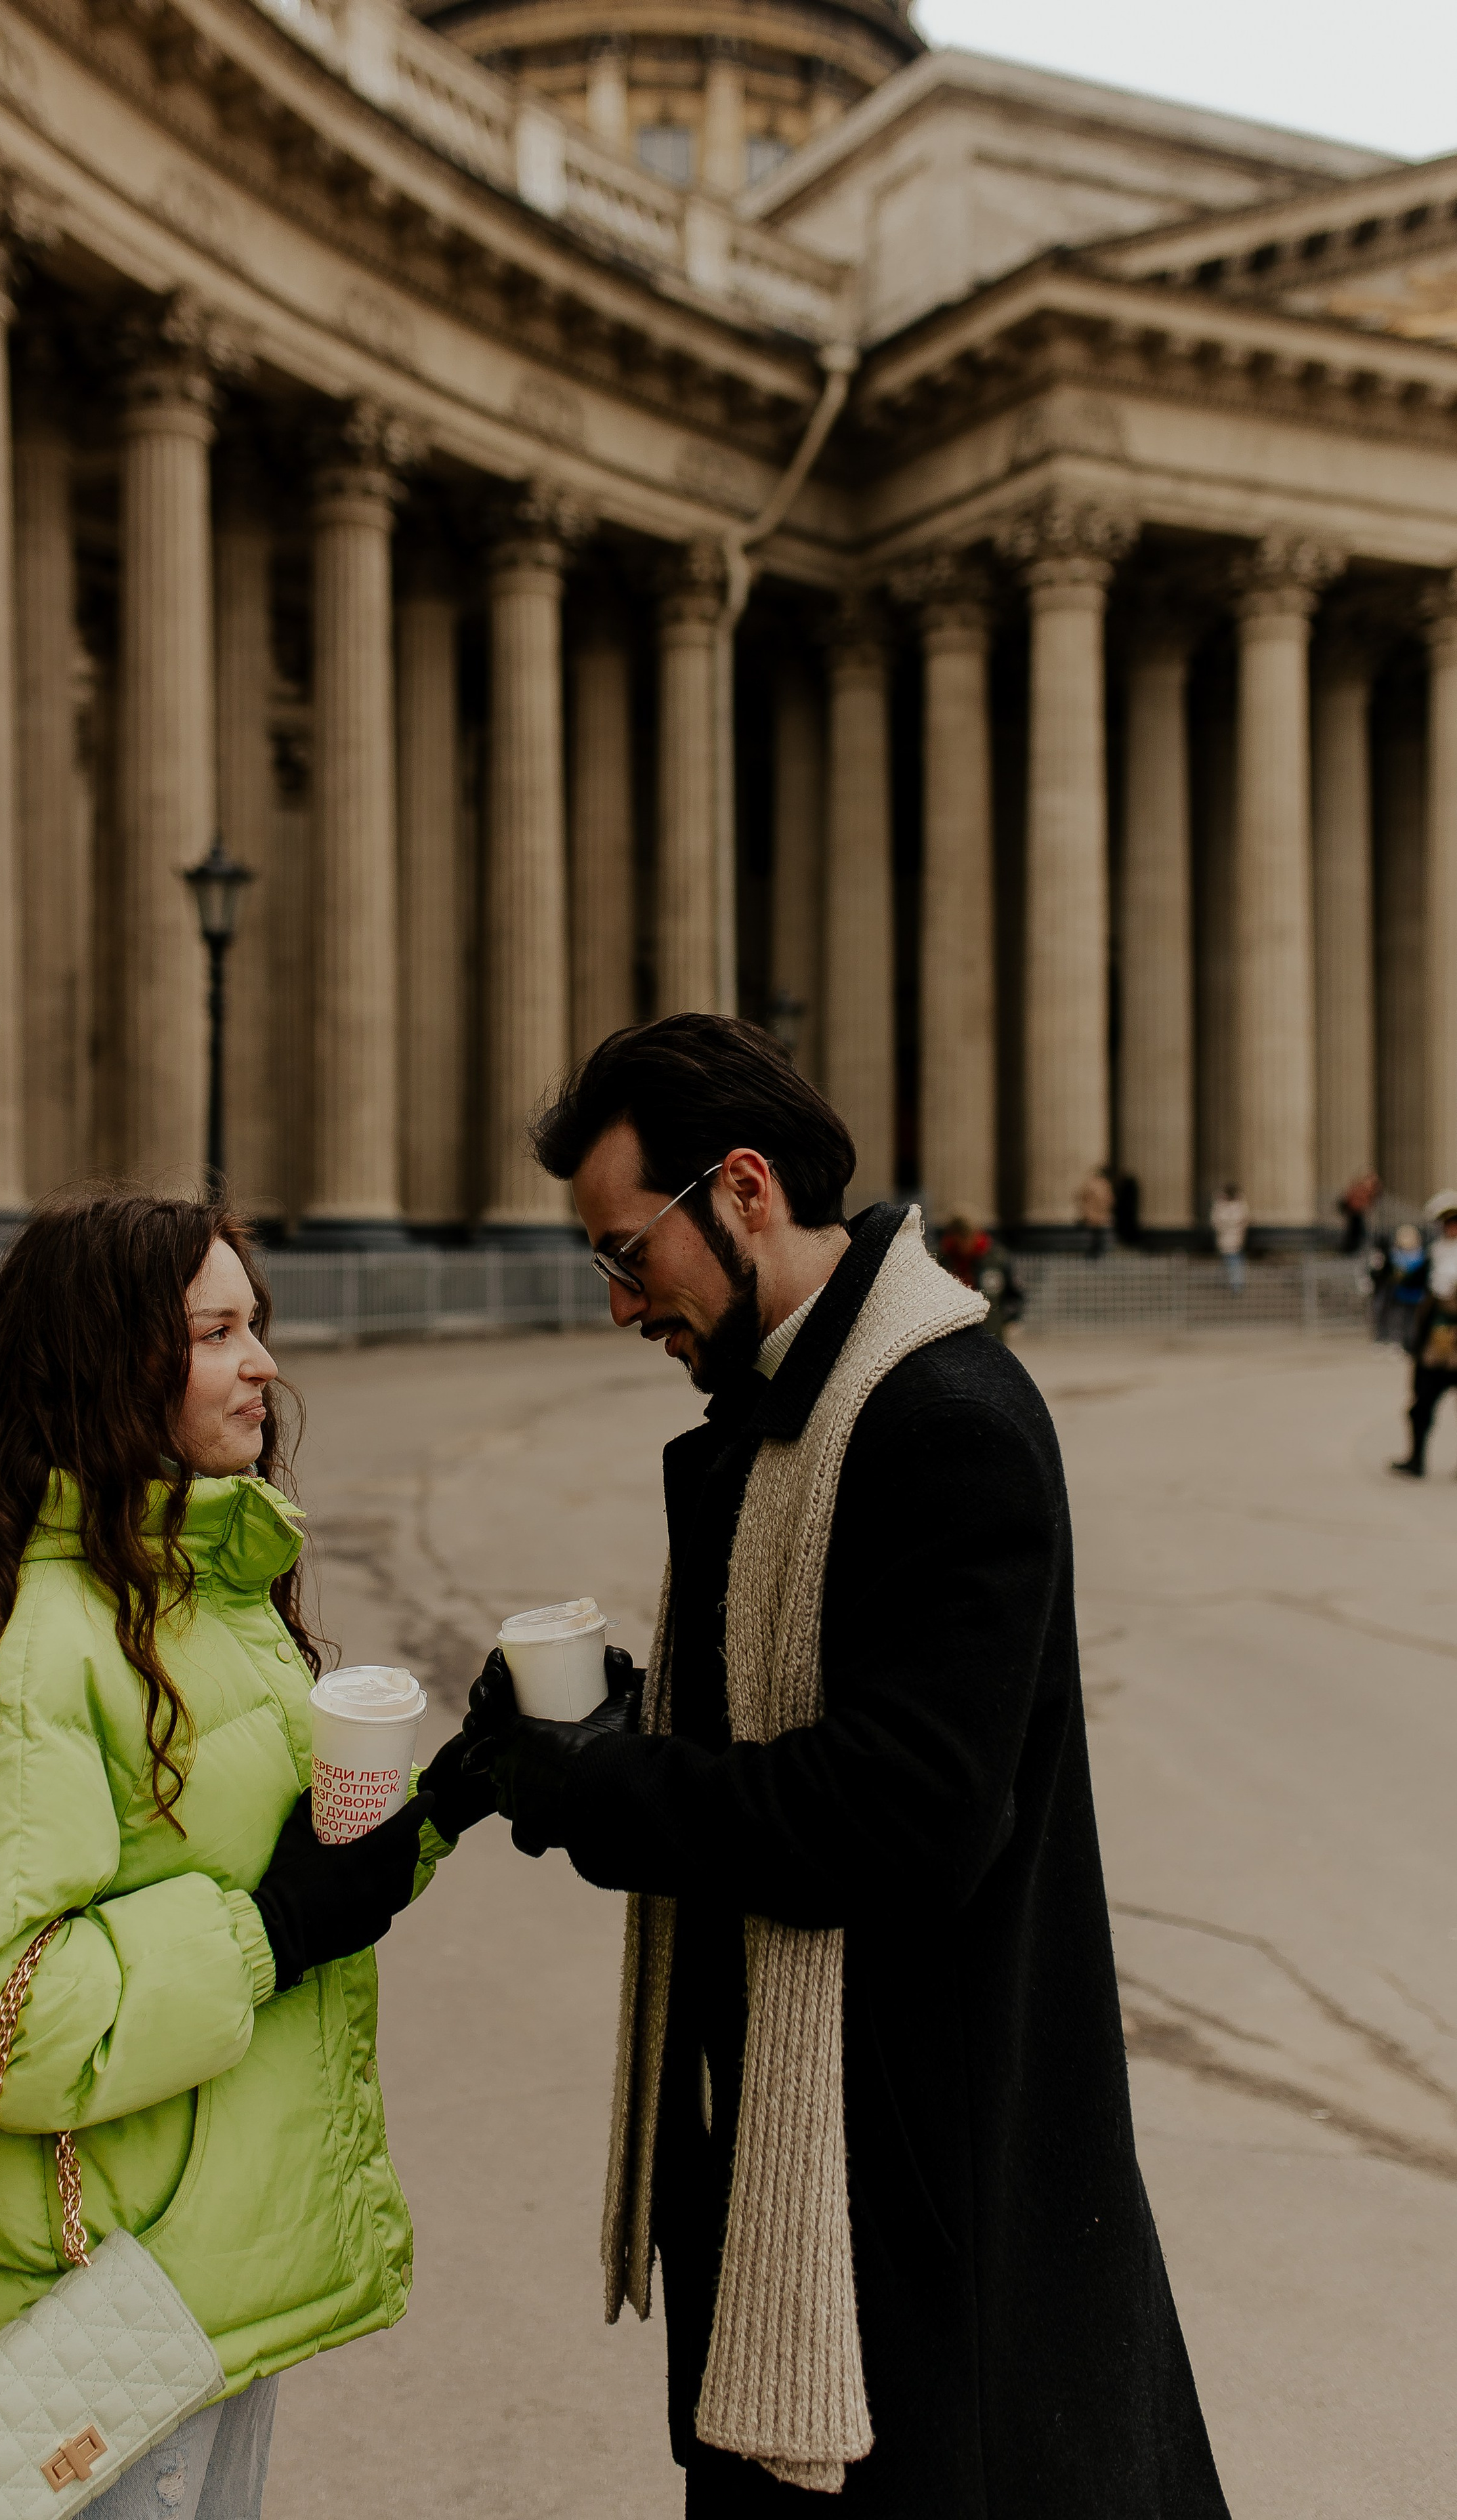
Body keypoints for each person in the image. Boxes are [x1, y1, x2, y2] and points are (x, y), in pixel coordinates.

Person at [455, 1016, 1229, 2517]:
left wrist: (595, 1791)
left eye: (627, 1251)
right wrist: (604, 1727)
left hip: (911, 2201)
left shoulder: (940, 1420)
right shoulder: (786, 1409)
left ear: (742, 1189)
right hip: (807, 2174)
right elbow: (783, 1733)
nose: (618, 1303)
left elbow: (898, 1814)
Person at [0, 1191, 493, 2518]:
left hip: (190, 2279)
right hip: (91, 2304)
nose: (264, 1364)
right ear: (108, 1362)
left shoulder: (186, 1587)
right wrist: (270, 1934)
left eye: (255, 1325)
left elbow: (278, 1867)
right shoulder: (31, 1645)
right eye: (216, 1333)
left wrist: (461, 1791)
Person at [1393, 1198, 1457, 1477]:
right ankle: (1416, 1459)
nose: (1451, 1228)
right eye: (1448, 1223)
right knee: (1421, 1405)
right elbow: (1409, 1282)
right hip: (1434, 1345)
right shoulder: (1436, 1254)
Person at [937, 1211, 1023, 1341]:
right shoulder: (942, 1260)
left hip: (990, 1333)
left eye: (968, 1237)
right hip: (952, 1335)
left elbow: (1014, 1292)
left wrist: (1010, 1319)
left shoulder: (995, 1258)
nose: (965, 1243)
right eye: (961, 1237)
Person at [1210, 1181, 1250, 1293]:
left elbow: (1243, 1219)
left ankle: (1236, 1285)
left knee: (1233, 1260)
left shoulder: (1237, 1204)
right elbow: (1216, 1221)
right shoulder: (1221, 1204)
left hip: (1234, 1238)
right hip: (1227, 1238)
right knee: (1231, 1260)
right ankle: (1233, 1284)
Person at [1076, 1162, 1115, 1257]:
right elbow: (1109, 1198)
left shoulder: (1098, 1184)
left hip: (1098, 1212)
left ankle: (1095, 1251)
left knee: (1096, 1233)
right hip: (1097, 1212)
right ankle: (1095, 1251)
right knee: (1096, 1233)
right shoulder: (1102, 1184)